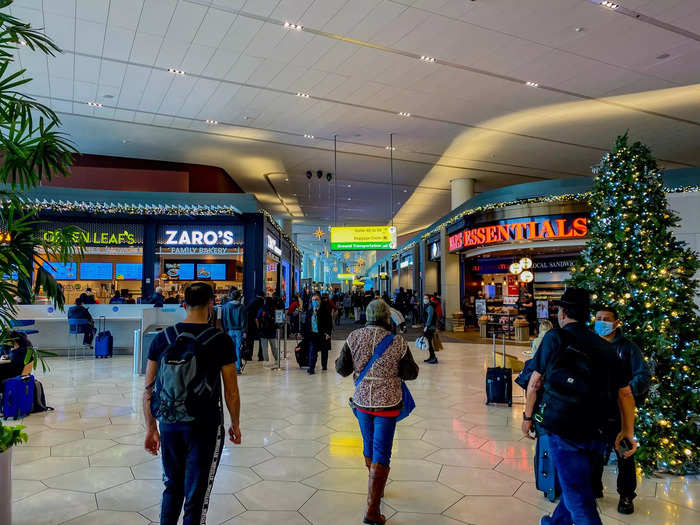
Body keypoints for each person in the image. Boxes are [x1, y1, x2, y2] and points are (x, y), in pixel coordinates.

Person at [521, 288, 637, 525]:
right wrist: (627, 431)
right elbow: (625, 394)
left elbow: (534, 382)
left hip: (563, 427)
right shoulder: (606, 347)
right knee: (578, 483)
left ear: (562, 313)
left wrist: (527, 416)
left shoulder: (556, 338)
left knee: (578, 497)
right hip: (597, 429)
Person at [143, 282, 242, 525]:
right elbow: (231, 390)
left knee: (172, 487)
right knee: (197, 494)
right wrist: (235, 424)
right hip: (205, 426)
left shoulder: (162, 338)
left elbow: (148, 389)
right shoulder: (220, 340)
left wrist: (151, 428)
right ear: (212, 304)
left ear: (184, 304)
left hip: (169, 422)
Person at [335, 299, 419, 525]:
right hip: (388, 404)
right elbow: (411, 373)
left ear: (367, 315)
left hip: (362, 402)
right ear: (386, 317)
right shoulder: (397, 341)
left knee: (368, 443)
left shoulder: (354, 337)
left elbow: (342, 370)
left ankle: (375, 489)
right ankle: (373, 507)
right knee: (382, 449)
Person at [593, 307, 650, 514]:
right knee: (595, 452)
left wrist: (624, 392)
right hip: (596, 409)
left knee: (624, 453)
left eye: (606, 319)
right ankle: (594, 488)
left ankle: (626, 495)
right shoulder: (591, 345)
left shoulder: (628, 348)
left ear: (616, 323)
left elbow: (643, 376)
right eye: (598, 318)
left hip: (620, 412)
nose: (601, 322)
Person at [303, 292, 332, 374]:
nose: (314, 301)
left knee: (324, 351)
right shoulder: (310, 311)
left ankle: (324, 366)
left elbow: (329, 323)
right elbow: (307, 323)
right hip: (313, 334)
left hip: (323, 334)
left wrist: (328, 333)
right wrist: (305, 333)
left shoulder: (325, 310)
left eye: (316, 300)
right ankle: (311, 367)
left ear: (320, 301)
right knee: (312, 351)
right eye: (313, 300)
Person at [221, 290, 246, 374]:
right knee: (238, 349)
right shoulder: (242, 307)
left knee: (230, 349)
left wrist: (225, 329)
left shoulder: (226, 306)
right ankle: (238, 368)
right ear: (239, 297)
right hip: (239, 331)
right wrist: (244, 331)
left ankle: (230, 367)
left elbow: (224, 319)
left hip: (229, 330)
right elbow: (243, 320)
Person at [257, 296, 279, 370]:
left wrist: (259, 327)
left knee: (264, 347)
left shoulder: (262, 309)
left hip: (263, 331)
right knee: (274, 346)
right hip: (272, 331)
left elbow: (257, 318)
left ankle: (266, 361)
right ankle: (276, 359)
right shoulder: (274, 309)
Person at [422, 294, 438, 364]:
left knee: (429, 343)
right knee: (428, 342)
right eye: (424, 298)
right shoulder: (427, 306)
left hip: (430, 327)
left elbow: (430, 317)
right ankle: (431, 357)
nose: (425, 300)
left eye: (426, 298)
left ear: (429, 299)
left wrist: (426, 326)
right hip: (429, 327)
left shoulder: (430, 307)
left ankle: (433, 357)